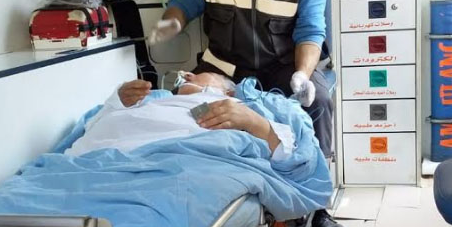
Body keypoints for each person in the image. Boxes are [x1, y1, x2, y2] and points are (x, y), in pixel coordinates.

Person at [146, 0, 349, 227]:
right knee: (186, 101)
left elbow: (310, 31)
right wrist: (168, 25)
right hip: (224, 66)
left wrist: (303, 75)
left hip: (283, 66)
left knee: (318, 101)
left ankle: (318, 206)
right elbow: (184, 3)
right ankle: (202, 196)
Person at [65, 73, 293, 160]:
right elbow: (91, 128)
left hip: (158, 162)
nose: (188, 75)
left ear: (227, 91)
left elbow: (289, 155)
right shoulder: (156, 100)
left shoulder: (238, 107)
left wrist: (253, 121)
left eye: (200, 74)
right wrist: (117, 102)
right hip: (87, 159)